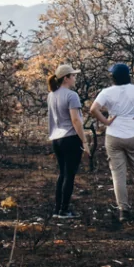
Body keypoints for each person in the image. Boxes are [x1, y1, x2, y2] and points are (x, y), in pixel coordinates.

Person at [89, 63, 134, 226]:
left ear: (113, 77)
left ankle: (124, 210)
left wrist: (106, 121)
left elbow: (93, 109)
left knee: (118, 174)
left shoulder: (107, 92)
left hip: (114, 135)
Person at [47, 64, 90, 219]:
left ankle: (58, 209)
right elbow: (75, 120)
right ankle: (64, 210)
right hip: (71, 138)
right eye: (73, 75)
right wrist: (84, 141)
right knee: (69, 175)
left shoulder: (51, 95)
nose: (75, 78)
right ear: (66, 78)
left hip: (56, 138)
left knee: (62, 174)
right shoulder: (72, 96)